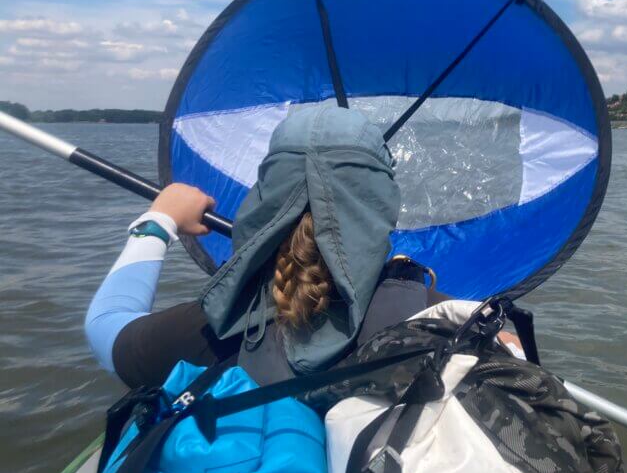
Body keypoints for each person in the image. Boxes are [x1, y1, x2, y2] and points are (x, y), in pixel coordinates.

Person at [85, 104, 446, 389]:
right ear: (381, 202)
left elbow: (105, 326)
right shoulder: (441, 323)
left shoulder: (209, 331)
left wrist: (160, 221)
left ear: (261, 200)